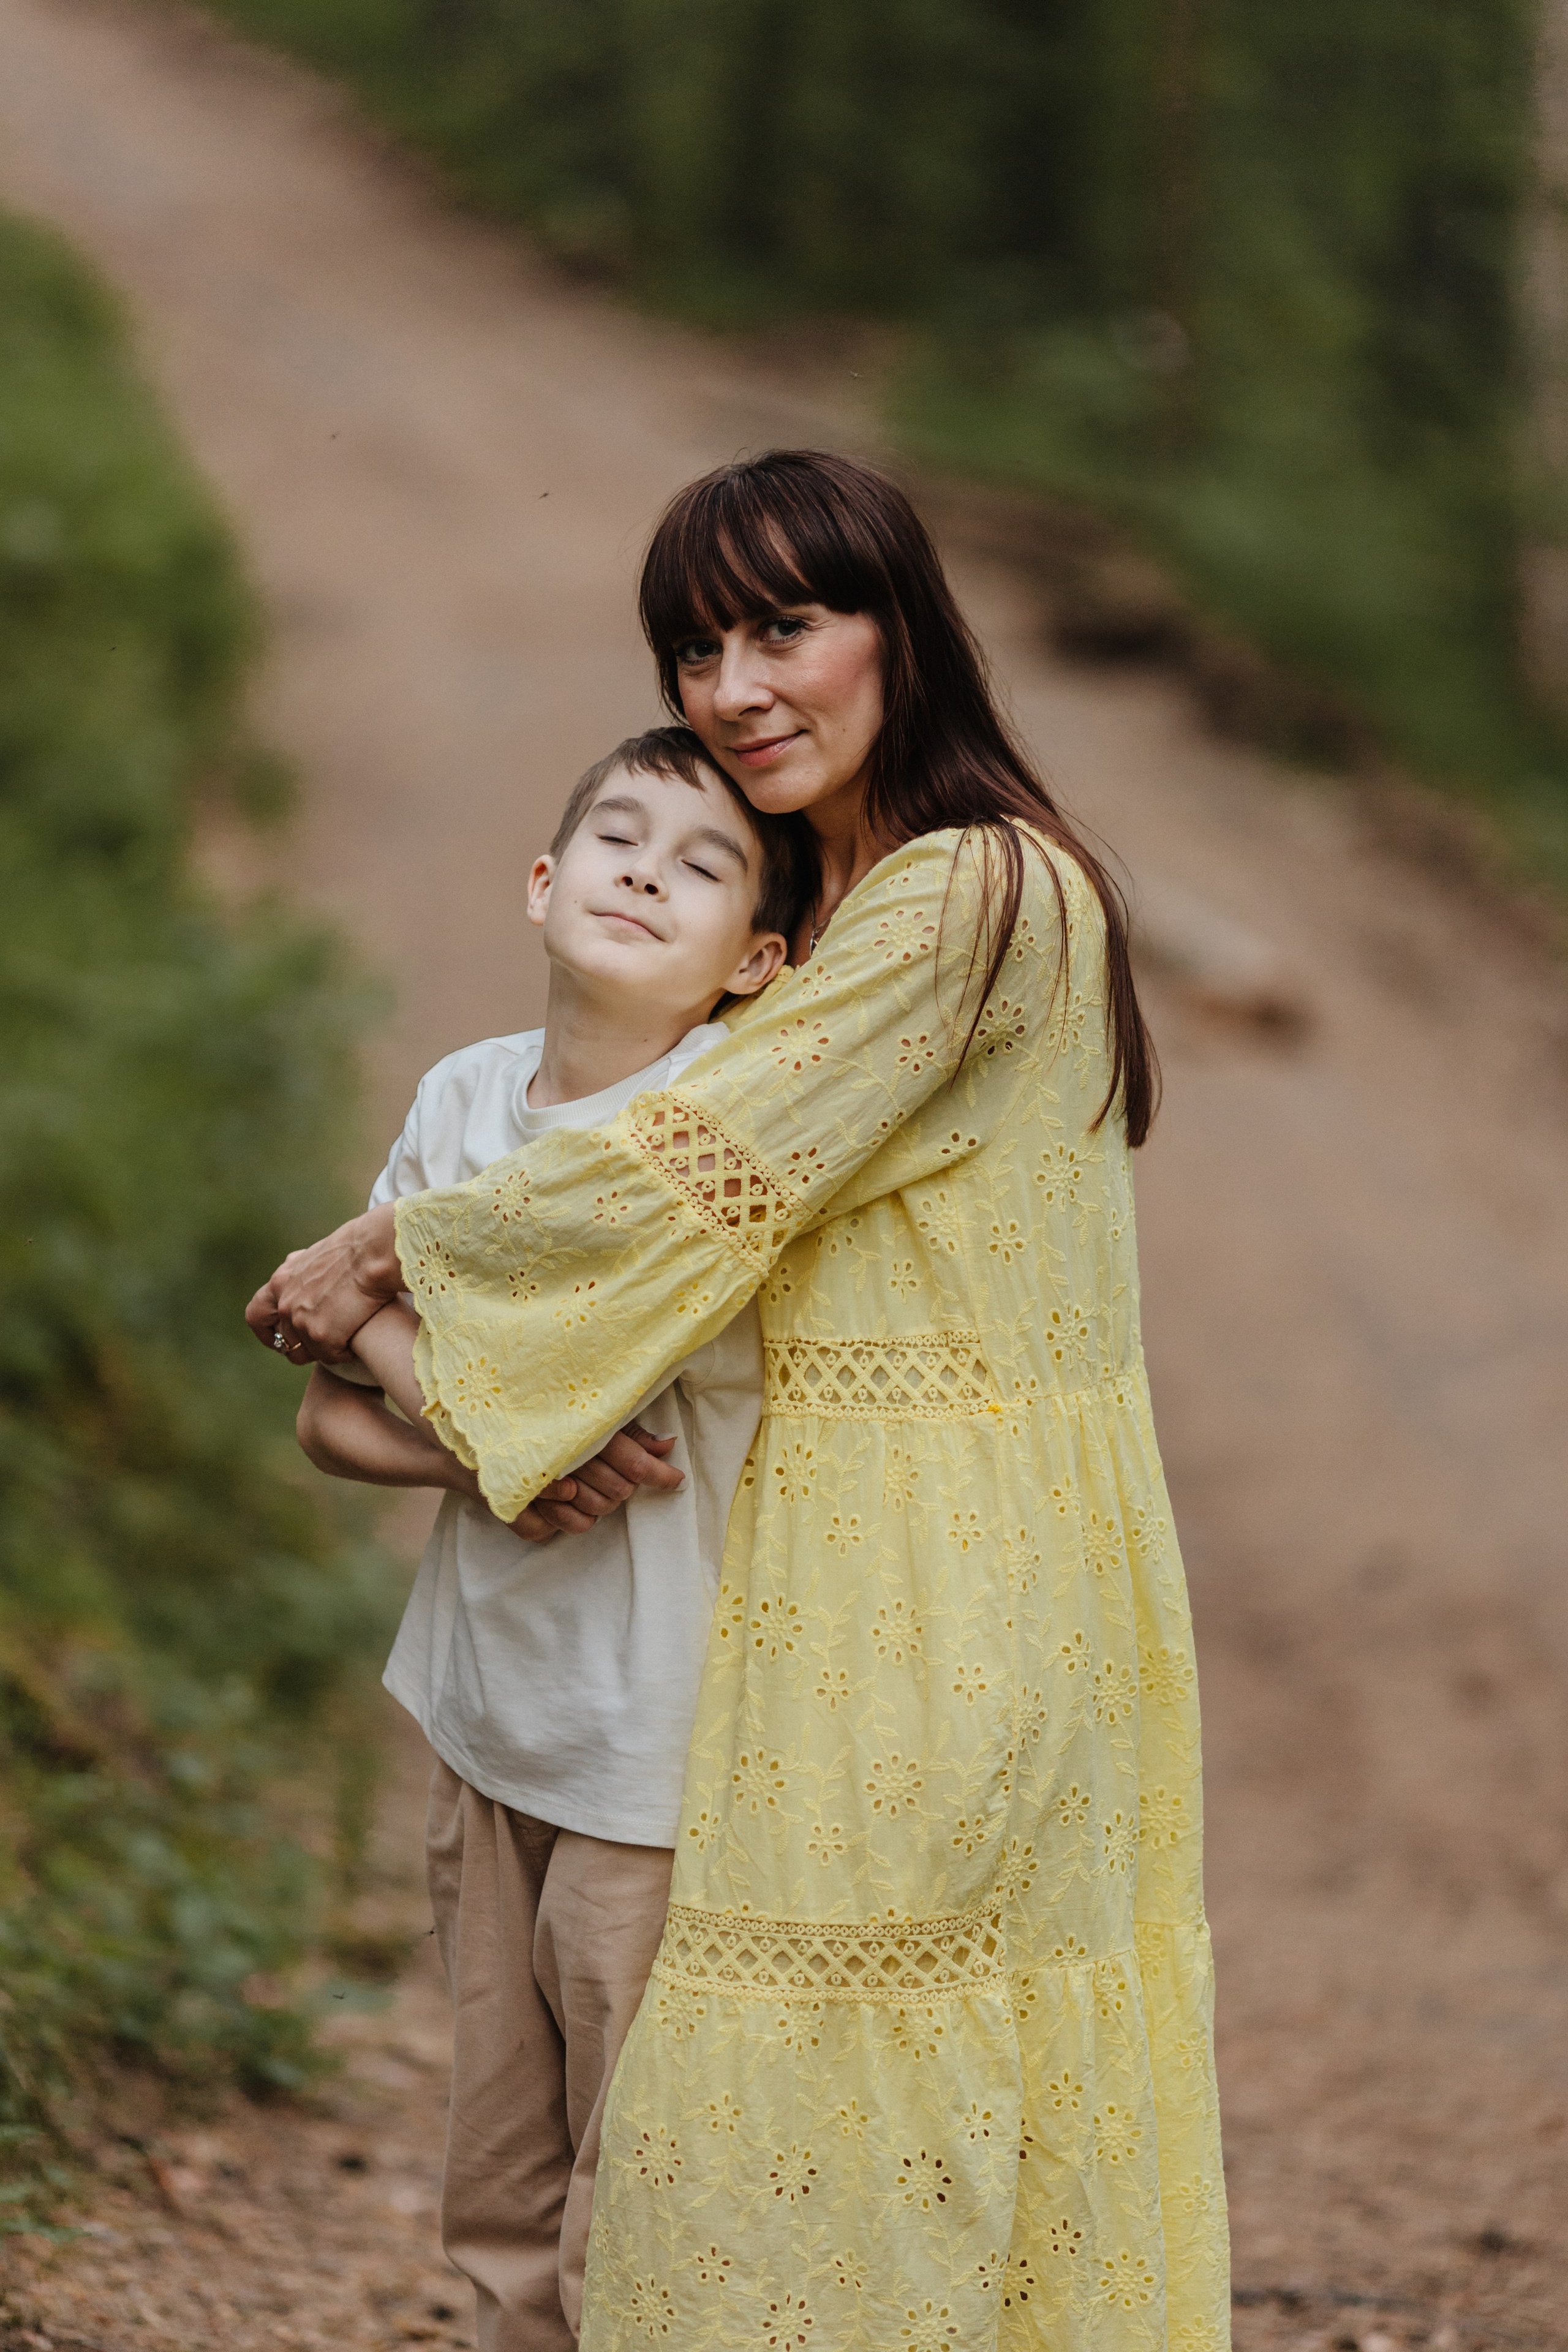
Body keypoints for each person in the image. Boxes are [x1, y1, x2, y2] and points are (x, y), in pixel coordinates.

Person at [251, 450, 1230, 2352]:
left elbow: (690, 1167)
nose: (734, 686)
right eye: (696, 646)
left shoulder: (980, 889)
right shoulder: (824, 903)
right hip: (805, 1562)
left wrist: (370, 1261)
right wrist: (416, 1348)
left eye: (785, 625)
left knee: (843, 2111)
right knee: (784, 2115)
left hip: (944, 1576)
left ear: (902, 632)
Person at [288, 725, 816, 2351]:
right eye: (619, 838)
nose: (649, 870)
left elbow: (553, 1392)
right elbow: (332, 1424)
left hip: (648, 1759)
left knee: (632, 2196)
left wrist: (353, 1312)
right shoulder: (462, 1099)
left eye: (706, 863)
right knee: (500, 2191)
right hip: (487, 1720)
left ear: (761, 963)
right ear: (543, 882)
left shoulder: (707, 1143)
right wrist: (460, 1446)